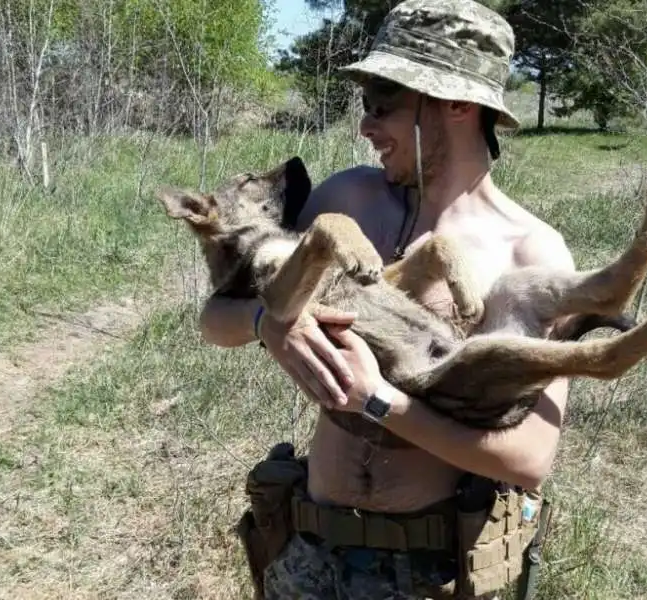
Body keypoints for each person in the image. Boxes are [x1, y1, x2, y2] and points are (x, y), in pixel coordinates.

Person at [201, 0, 575, 597]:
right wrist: (268, 323)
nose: (366, 128)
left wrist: (378, 402)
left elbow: (528, 458)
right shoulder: (344, 200)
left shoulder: (530, 253)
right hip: (306, 548)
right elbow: (213, 321)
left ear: (455, 104)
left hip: (430, 572)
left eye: (386, 103)